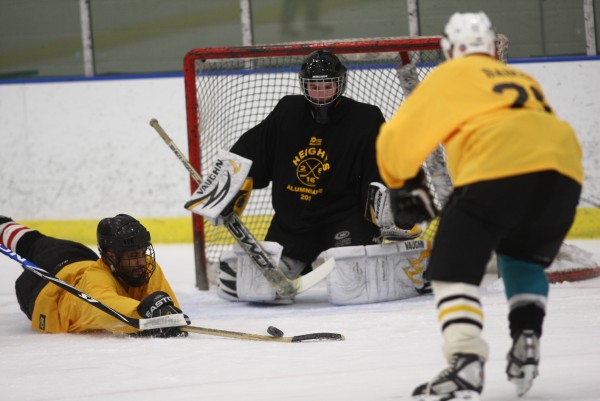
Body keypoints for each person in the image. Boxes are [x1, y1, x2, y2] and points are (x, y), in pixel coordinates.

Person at [376, 11, 583, 400]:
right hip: (563, 175)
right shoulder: (519, 78)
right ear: (491, 47)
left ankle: (466, 359)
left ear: (450, 49)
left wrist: (403, 183)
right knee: (521, 259)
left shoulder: (453, 74)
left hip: (497, 169)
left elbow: (396, 139)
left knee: (448, 265)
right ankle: (527, 339)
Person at [216, 49, 423, 303]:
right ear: (304, 85)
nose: (321, 94)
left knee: (352, 288)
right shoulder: (288, 112)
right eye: (314, 87)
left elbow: (386, 164)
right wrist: (227, 184)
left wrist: (395, 210)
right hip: (294, 222)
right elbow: (253, 149)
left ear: (340, 84)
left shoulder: (365, 119)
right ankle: (287, 263)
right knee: (263, 289)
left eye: (327, 86)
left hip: (345, 219)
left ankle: (410, 266)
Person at [0, 214, 188, 337]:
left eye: (142, 252)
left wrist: (168, 314)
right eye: (132, 256)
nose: (140, 261)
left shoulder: (145, 265)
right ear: (111, 255)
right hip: (43, 292)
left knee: (37, 242)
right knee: (32, 244)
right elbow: (107, 308)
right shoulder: (95, 281)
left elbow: (165, 307)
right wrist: (142, 314)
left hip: (78, 259)